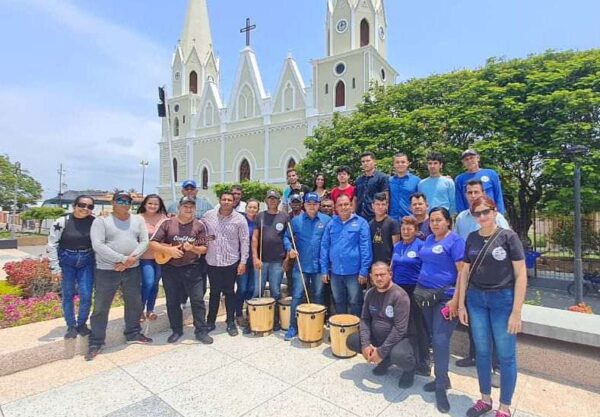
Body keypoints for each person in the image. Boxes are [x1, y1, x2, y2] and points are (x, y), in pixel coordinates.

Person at [458, 196, 526, 417]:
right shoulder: (471, 238)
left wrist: (516, 312)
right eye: (478, 213)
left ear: (495, 211)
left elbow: (521, 274)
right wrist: (461, 305)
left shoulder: (508, 237)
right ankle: (485, 399)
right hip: (476, 300)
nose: (482, 216)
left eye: (486, 211)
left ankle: (504, 407)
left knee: (506, 356)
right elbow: (464, 273)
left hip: (502, 301)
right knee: (483, 353)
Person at [86, 191, 151, 361]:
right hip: (107, 270)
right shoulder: (101, 220)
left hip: (133, 268)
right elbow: (98, 245)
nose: (124, 203)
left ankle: (133, 333)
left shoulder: (138, 220)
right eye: (120, 200)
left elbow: (144, 241)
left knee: (134, 303)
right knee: (101, 307)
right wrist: (122, 259)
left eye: (127, 200)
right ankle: (96, 342)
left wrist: (130, 260)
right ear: (113, 202)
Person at [455, 179, 510, 369]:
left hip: (495, 280)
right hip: (471, 276)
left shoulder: (497, 217)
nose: (472, 196)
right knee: (473, 321)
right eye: (469, 192)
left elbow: (508, 247)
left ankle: (496, 364)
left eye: (476, 192)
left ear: (483, 192)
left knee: (494, 325)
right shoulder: (461, 218)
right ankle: (474, 356)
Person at [417, 207, 465, 413]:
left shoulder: (455, 241)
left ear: (448, 222)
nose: (434, 224)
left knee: (440, 340)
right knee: (432, 338)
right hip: (425, 297)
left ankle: (439, 386)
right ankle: (443, 379)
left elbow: (463, 273)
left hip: (446, 299)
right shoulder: (428, 240)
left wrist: (456, 301)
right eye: (432, 221)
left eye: (439, 220)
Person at [149, 197, 213, 344]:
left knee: (197, 300)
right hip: (170, 269)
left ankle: (201, 331)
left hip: (192, 268)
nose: (188, 209)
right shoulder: (167, 223)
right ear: (179, 207)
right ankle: (176, 330)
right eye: (185, 206)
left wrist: (193, 248)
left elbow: (204, 249)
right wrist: (169, 250)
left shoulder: (199, 226)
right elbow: (152, 243)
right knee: (172, 301)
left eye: (191, 206)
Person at [346, 262, 416, 388]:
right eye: (376, 275)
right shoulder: (370, 293)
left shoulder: (399, 295)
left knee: (400, 355)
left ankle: (409, 371)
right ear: (371, 277)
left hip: (401, 338)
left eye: (382, 274)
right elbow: (365, 319)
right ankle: (386, 361)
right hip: (378, 336)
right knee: (352, 341)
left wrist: (381, 352)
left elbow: (400, 329)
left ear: (390, 275)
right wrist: (366, 345)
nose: (379, 278)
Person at [283, 192, 331, 340]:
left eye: (315, 204)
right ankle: (293, 326)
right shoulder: (296, 221)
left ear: (318, 205)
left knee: (318, 296)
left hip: (319, 267)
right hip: (300, 266)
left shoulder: (327, 220)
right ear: (304, 205)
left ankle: (317, 324)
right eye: (309, 204)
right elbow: (286, 237)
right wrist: (290, 249)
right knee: (297, 296)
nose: (312, 206)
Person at [47, 195, 96, 339]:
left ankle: (81, 324)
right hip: (67, 260)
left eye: (90, 206)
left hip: (86, 261)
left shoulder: (95, 222)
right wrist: (54, 268)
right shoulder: (62, 222)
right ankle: (71, 326)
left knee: (86, 295)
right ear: (74, 205)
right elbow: (52, 244)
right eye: (82, 205)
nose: (85, 209)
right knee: (68, 294)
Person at [202, 191, 250, 336]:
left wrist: (243, 262)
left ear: (234, 201)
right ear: (220, 200)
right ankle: (210, 322)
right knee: (214, 292)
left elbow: (244, 241)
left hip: (231, 262)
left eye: (230, 199)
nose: (227, 202)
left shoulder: (239, 219)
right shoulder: (208, 215)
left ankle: (230, 322)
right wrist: (210, 239)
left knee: (230, 292)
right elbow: (203, 235)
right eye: (224, 199)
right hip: (212, 261)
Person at [391, 216, 430, 376]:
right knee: (402, 326)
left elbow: (426, 268)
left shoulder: (421, 246)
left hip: (415, 291)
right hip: (399, 290)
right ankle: (404, 357)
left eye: (409, 229)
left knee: (418, 327)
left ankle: (424, 363)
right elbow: (392, 267)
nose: (406, 232)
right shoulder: (397, 246)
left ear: (416, 230)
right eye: (403, 229)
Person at [320, 194, 372, 316]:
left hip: (354, 272)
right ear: (336, 208)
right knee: (338, 302)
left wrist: (364, 270)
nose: (343, 207)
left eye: (346, 204)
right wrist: (324, 270)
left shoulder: (361, 223)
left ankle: (355, 332)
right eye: (340, 205)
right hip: (335, 272)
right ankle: (341, 331)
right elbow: (325, 246)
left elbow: (366, 247)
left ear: (351, 206)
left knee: (355, 302)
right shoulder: (331, 224)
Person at [167, 179, 213, 306]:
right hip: (179, 251)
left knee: (200, 279)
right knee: (179, 282)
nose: (189, 191)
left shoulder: (207, 205)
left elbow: (212, 228)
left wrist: (200, 243)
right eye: (186, 189)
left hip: (198, 249)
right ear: (182, 191)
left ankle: (197, 302)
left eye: (192, 189)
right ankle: (182, 301)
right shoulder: (173, 205)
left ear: (196, 190)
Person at [252, 190, 289, 330]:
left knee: (276, 291)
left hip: (277, 261)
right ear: (266, 201)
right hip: (262, 260)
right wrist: (255, 257)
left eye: (275, 199)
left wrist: (286, 259)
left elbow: (288, 238)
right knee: (258, 291)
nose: (272, 200)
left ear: (279, 201)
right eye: (270, 198)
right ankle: (254, 320)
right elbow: (255, 238)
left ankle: (275, 320)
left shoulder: (284, 216)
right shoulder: (260, 216)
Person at [137, 194, 168, 321]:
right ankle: (140, 310)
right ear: (144, 204)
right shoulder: (137, 218)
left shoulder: (164, 218)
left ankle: (150, 310)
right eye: (150, 203)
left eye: (156, 204)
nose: (153, 206)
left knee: (155, 283)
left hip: (160, 257)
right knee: (148, 282)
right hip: (145, 256)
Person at [455, 149, 505, 214]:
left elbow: (498, 195)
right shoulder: (459, 179)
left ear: (478, 158)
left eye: (472, 158)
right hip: (471, 215)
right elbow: (459, 201)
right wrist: (463, 216)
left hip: (490, 213)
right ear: (463, 162)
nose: (469, 161)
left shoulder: (491, 173)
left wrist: (500, 213)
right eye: (466, 159)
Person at [237, 199, 259, 330]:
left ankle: (249, 312)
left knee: (251, 288)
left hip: (254, 259)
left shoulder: (258, 222)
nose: (252, 209)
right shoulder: (241, 221)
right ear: (246, 209)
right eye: (250, 207)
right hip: (243, 260)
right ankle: (238, 313)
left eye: (254, 207)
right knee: (242, 288)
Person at [354, 152, 389, 221]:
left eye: (368, 161)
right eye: (363, 161)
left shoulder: (382, 177)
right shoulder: (359, 180)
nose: (365, 163)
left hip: (374, 216)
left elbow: (385, 196)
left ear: (374, 162)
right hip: (359, 216)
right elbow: (356, 198)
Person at [369, 192, 400, 264]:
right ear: (373, 206)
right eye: (377, 204)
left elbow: (396, 248)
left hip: (387, 265)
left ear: (387, 206)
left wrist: (392, 265)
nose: (380, 207)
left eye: (383, 204)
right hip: (374, 266)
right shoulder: (370, 224)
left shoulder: (393, 223)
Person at [389, 153, 421, 221]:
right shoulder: (389, 181)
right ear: (394, 165)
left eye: (403, 162)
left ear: (408, 163)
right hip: (392, 219)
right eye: (397, 162)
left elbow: (421, 201)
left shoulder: (416, 181)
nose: (400, 164)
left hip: (410, 219)